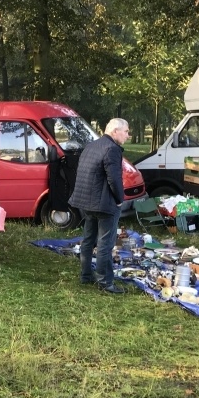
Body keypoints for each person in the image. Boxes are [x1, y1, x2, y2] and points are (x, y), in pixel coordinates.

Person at [68, 118, 130, 294]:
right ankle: (105, 282)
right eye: (126, 131)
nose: (128, 135)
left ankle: (86, 275)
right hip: (104, 204)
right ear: (115, 131)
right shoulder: (112, 149)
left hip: (87, 202)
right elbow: (114, 179)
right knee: (105, 244)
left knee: (88, 240)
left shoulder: (92, 145)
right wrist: (120, 198)